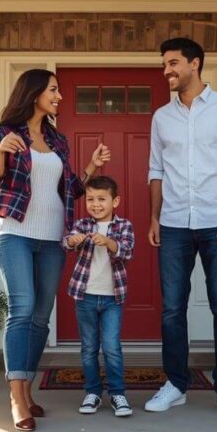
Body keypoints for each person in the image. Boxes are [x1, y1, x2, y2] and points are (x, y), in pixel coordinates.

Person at [0, 69, 110, 431]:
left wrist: (91, 167)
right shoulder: (5, 133)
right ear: (35, 92)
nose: (59, 96)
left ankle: (27, 388)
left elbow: (69, 187)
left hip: (53, 237)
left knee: (41, 317)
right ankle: (16, 396)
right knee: (21, 310)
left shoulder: (57, 140)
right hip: (16, 233)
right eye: (53, 90)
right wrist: (1, 153)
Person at [144, 38, 217, 420]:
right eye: (164, 65)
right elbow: (155, 170)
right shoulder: (162, 117)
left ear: (195, 64)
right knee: (172, 310)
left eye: (173, 63)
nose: (167, 71)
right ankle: (176, 384)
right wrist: (155, 217)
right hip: (173, 224)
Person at [63, 176, 136, 418]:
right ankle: (92, 392)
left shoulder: (123, 225)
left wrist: (108, 242)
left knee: (112, 347)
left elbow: (126, 251)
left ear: (115, 201)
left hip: (112, 299)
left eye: (102, 199)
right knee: (89, 347)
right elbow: (67, 242)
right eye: (91, 199)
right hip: (84, 297)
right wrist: (72, 240)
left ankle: (117, 393)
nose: (96, 204)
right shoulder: (83, 225)